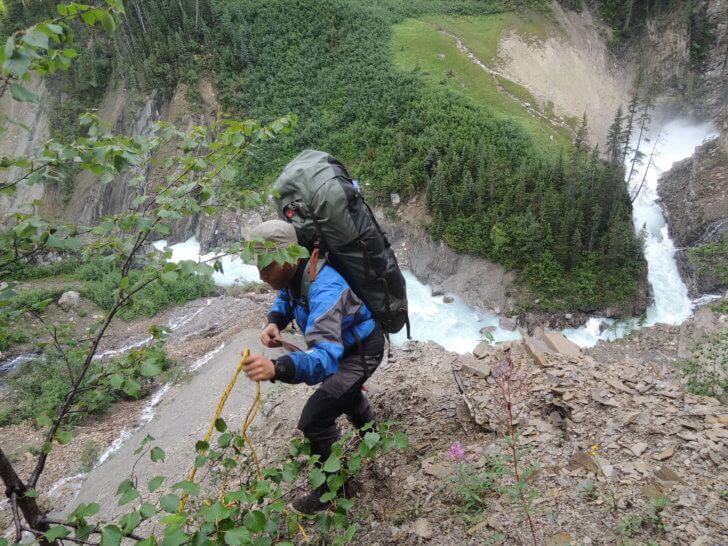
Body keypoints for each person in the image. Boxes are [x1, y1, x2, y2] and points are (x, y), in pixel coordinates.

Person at [242, 220, 385, 514]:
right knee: (341, 393)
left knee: (314, 417)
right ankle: (372, 433)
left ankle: (333, 491)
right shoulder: (299, 272)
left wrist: (277, 368)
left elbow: (324, 358)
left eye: (268, 267)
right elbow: (288, 295)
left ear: (292, 257)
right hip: (345, 345)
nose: (261, 274)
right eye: (259, 265)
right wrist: (275, 320)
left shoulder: (326, 288)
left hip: (360, 351)